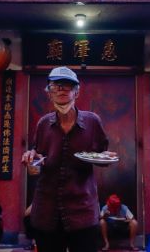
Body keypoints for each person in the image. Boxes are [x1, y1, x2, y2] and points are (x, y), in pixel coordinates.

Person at [21, 66, 115, 252]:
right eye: (56, 86)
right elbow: (39, 155)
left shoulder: (92, 121)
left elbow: (101, 153)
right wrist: (32, 158)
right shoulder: (43, 124)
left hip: (82, 210)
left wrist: (103, 157)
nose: (62, 90)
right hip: (47, 210)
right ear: (49, 93)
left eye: (68, 86)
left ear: (77, 92)